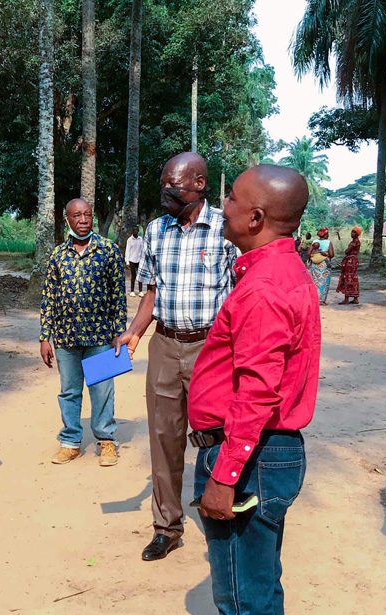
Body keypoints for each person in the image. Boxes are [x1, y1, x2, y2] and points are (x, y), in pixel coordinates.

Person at [180, 164, 319, 615]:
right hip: (264, 453)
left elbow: (257, 392)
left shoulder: (263, 288)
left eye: (232, 199)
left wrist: (223, 475)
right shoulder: (275, 272)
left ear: (257, 218)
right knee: (259, 590)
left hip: (251, 456)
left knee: (243, 597)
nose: (223, 206)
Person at [114, 152, 236, 562]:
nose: (165, 191)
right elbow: (150, 290)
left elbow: (240, 291)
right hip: (164, 347)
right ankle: (167, 527)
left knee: (217, 436)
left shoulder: (225, 228)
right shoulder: (155, 230)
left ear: (199, 184)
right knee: (164, 441)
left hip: (211, 350)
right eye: (163, 182)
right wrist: (134, 331)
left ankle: (221, 515)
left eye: (174, 184)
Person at [40, 198, 126, 466]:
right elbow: (49, 297)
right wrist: (45, 336)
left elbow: (118, 295)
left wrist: (119, 332)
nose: (83, 220)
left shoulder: (108, 251)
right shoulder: (57, 255)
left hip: (100, 337)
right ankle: (70, 442)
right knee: (69, 391)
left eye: (87, 215)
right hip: (65, 338)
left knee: (102, 389)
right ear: (67, 219)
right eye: (77, 216)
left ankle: (106, 441)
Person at [308, 227, 333, 304]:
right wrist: (325, 254)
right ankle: (321, 300)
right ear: (326, 234)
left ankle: (314, 299)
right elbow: (331, 254)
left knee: (315, 281)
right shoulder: (328, 242)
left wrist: (313, 256)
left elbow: (308, 253)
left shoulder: (314, 241)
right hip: (324, 264)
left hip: (314, 264)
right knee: (324, 282)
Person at [337, 226, 361, 304]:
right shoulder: (356, 241)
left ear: (357, 234)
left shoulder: (354, 242)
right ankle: (355, 298)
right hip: (354, 261)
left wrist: (346, 250)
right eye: (352, 232)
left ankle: (346, 299)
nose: (352, 234)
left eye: (354, 232)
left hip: (350, 262)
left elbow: (347, 251)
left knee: (348, 277)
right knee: (353, 278)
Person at [124, 226, 145, 296]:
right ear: (132, 232)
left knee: (140, 276)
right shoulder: (130, 240)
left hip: (139, 260)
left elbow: (142, 250)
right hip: (132, 260)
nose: (135, 231)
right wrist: (127, 261)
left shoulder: (140, 239)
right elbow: (127, 250)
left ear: (138, 231)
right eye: (134, 230)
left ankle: (140, 291)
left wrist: (143, 259)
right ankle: (132, 291)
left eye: (136, 230)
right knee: (133, 275)